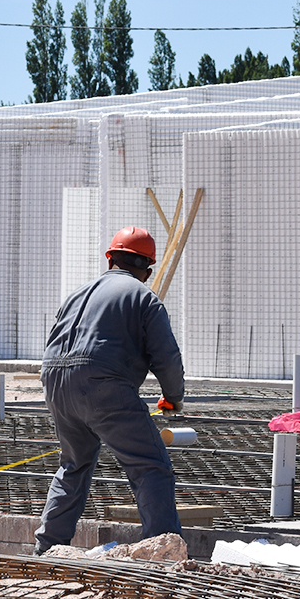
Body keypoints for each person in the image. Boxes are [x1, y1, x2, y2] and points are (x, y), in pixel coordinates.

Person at [34, 227, 185, 555]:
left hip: (55, 383)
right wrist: (173, 397)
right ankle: (165, 553)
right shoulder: (143, 297)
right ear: (146, 268)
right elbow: (167, 358)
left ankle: (46, 551)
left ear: (110, 258)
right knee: (150, 466)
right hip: (102, 385)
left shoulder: (77, 293)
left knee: (73, 465)